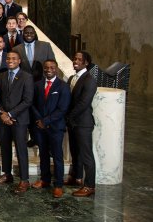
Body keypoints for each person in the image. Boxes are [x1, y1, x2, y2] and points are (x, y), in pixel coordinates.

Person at [0, 50, 34, 193]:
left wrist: (10, 114)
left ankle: (24, 180)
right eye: (8, 58)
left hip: (19, 119)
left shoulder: (26, 77)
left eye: (13, 58)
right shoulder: (1, 75)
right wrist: (2, 114)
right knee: (5, 147)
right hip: (3, 119)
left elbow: (28, 100)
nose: (10, 60)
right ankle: (7, 174)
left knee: (21, 149)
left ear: (19, 60)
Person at [31, 60, 71, 198]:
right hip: (40, 128)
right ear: (43, 69)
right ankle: (45, 180)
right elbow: (33, 104)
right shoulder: (37, 85)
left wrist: (46, 121)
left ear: (56, 69)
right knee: (43, 155)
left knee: (57, 156)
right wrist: (39, 120)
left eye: (52, 67)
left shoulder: (63, 86)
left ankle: (58, 185)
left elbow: (63, 109)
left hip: (56, 127)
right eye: (46, 67)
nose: (49, 69)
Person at [66, 51, 98, 197]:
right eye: (75, 58)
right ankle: (76, 178)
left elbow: (84, 103)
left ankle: (90, 186)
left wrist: (70, 116)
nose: (75, 61)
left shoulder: (89, 79)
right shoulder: (72, 77)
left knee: (86, 155)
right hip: (73, 122)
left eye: (79, 59)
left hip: (83, 123)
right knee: (75, 152)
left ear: (86, 63)